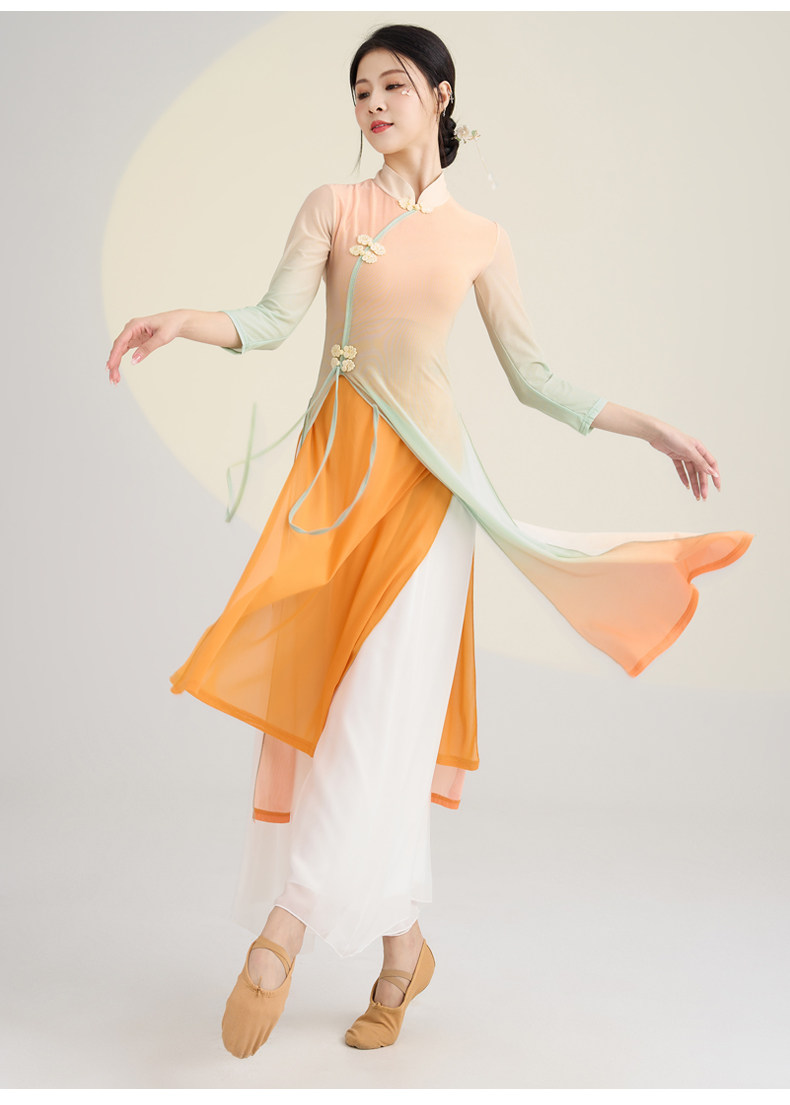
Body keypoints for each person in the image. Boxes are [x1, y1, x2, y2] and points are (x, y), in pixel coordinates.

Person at [105, 24, 752, 1057]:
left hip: (430, 501)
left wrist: (652, 429)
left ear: (441, 96)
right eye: (360, 88)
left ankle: (279, 937)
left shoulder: (479, 237)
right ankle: (403, 954)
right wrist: (186, 319)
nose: (373, 103)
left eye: (394, 85)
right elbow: (270, 321)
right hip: (333, 497)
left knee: (377, 725)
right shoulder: (333, 205)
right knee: (343, 726)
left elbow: (536, 379)